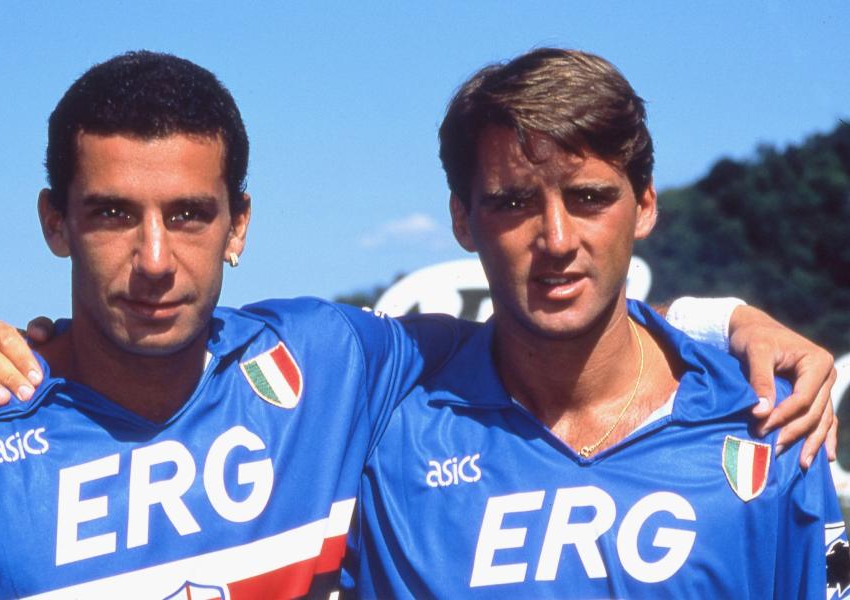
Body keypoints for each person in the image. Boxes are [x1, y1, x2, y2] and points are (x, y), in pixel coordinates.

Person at [0, 50, 837, 597]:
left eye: (190, 215)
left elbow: (568, 314)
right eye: (114, 214)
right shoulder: (386, 400)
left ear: (238, 224)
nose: (154, 258)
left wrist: (725, 320)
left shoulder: (769, 429)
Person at [342, 48, 849, 598]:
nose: (557, 240)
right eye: (513, 203)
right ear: (463, 220)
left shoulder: (771, 420)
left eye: (589, 197)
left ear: (646, 205)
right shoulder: (383, 437)